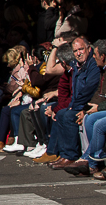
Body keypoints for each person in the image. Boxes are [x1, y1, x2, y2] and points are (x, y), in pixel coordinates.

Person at [41, 36, 101, 169]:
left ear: (88, 49)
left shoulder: (92, 65)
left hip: (87, 103)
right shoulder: (76, 65)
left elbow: (88, 89)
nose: (78, 53)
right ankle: (64, 154)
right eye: (75, 51)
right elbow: (72, 90)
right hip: (77, 103)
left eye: (81, 49)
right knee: (62, 114)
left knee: (67, 115)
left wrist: (77, 107)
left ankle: (71, 156)